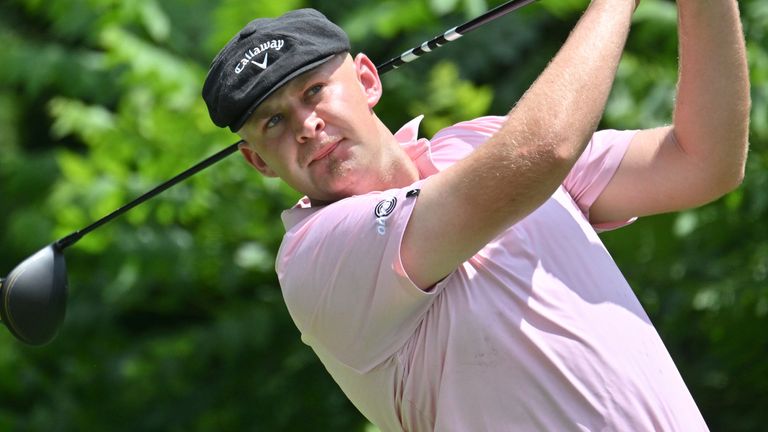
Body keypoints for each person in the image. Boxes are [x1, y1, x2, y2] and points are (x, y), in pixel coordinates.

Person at [202, 1, 750, 430]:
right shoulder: (314, 255)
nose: (306, 125)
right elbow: (544, 150)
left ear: (367, 81)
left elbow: (703, 162)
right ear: (257, 161)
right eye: (273, 122)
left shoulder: (480, 143)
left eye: (314, 90)